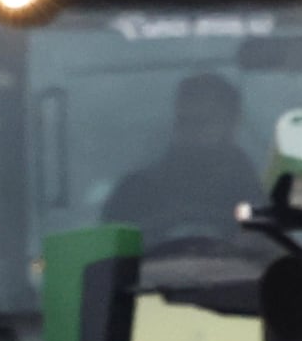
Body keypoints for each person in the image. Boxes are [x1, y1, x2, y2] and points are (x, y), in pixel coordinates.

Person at [98, 71, 262, 239]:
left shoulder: (260, 199)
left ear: (231, 125)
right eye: (183, 121)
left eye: (201, 121)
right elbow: (108, 256)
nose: (190, 130)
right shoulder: (133, 194)